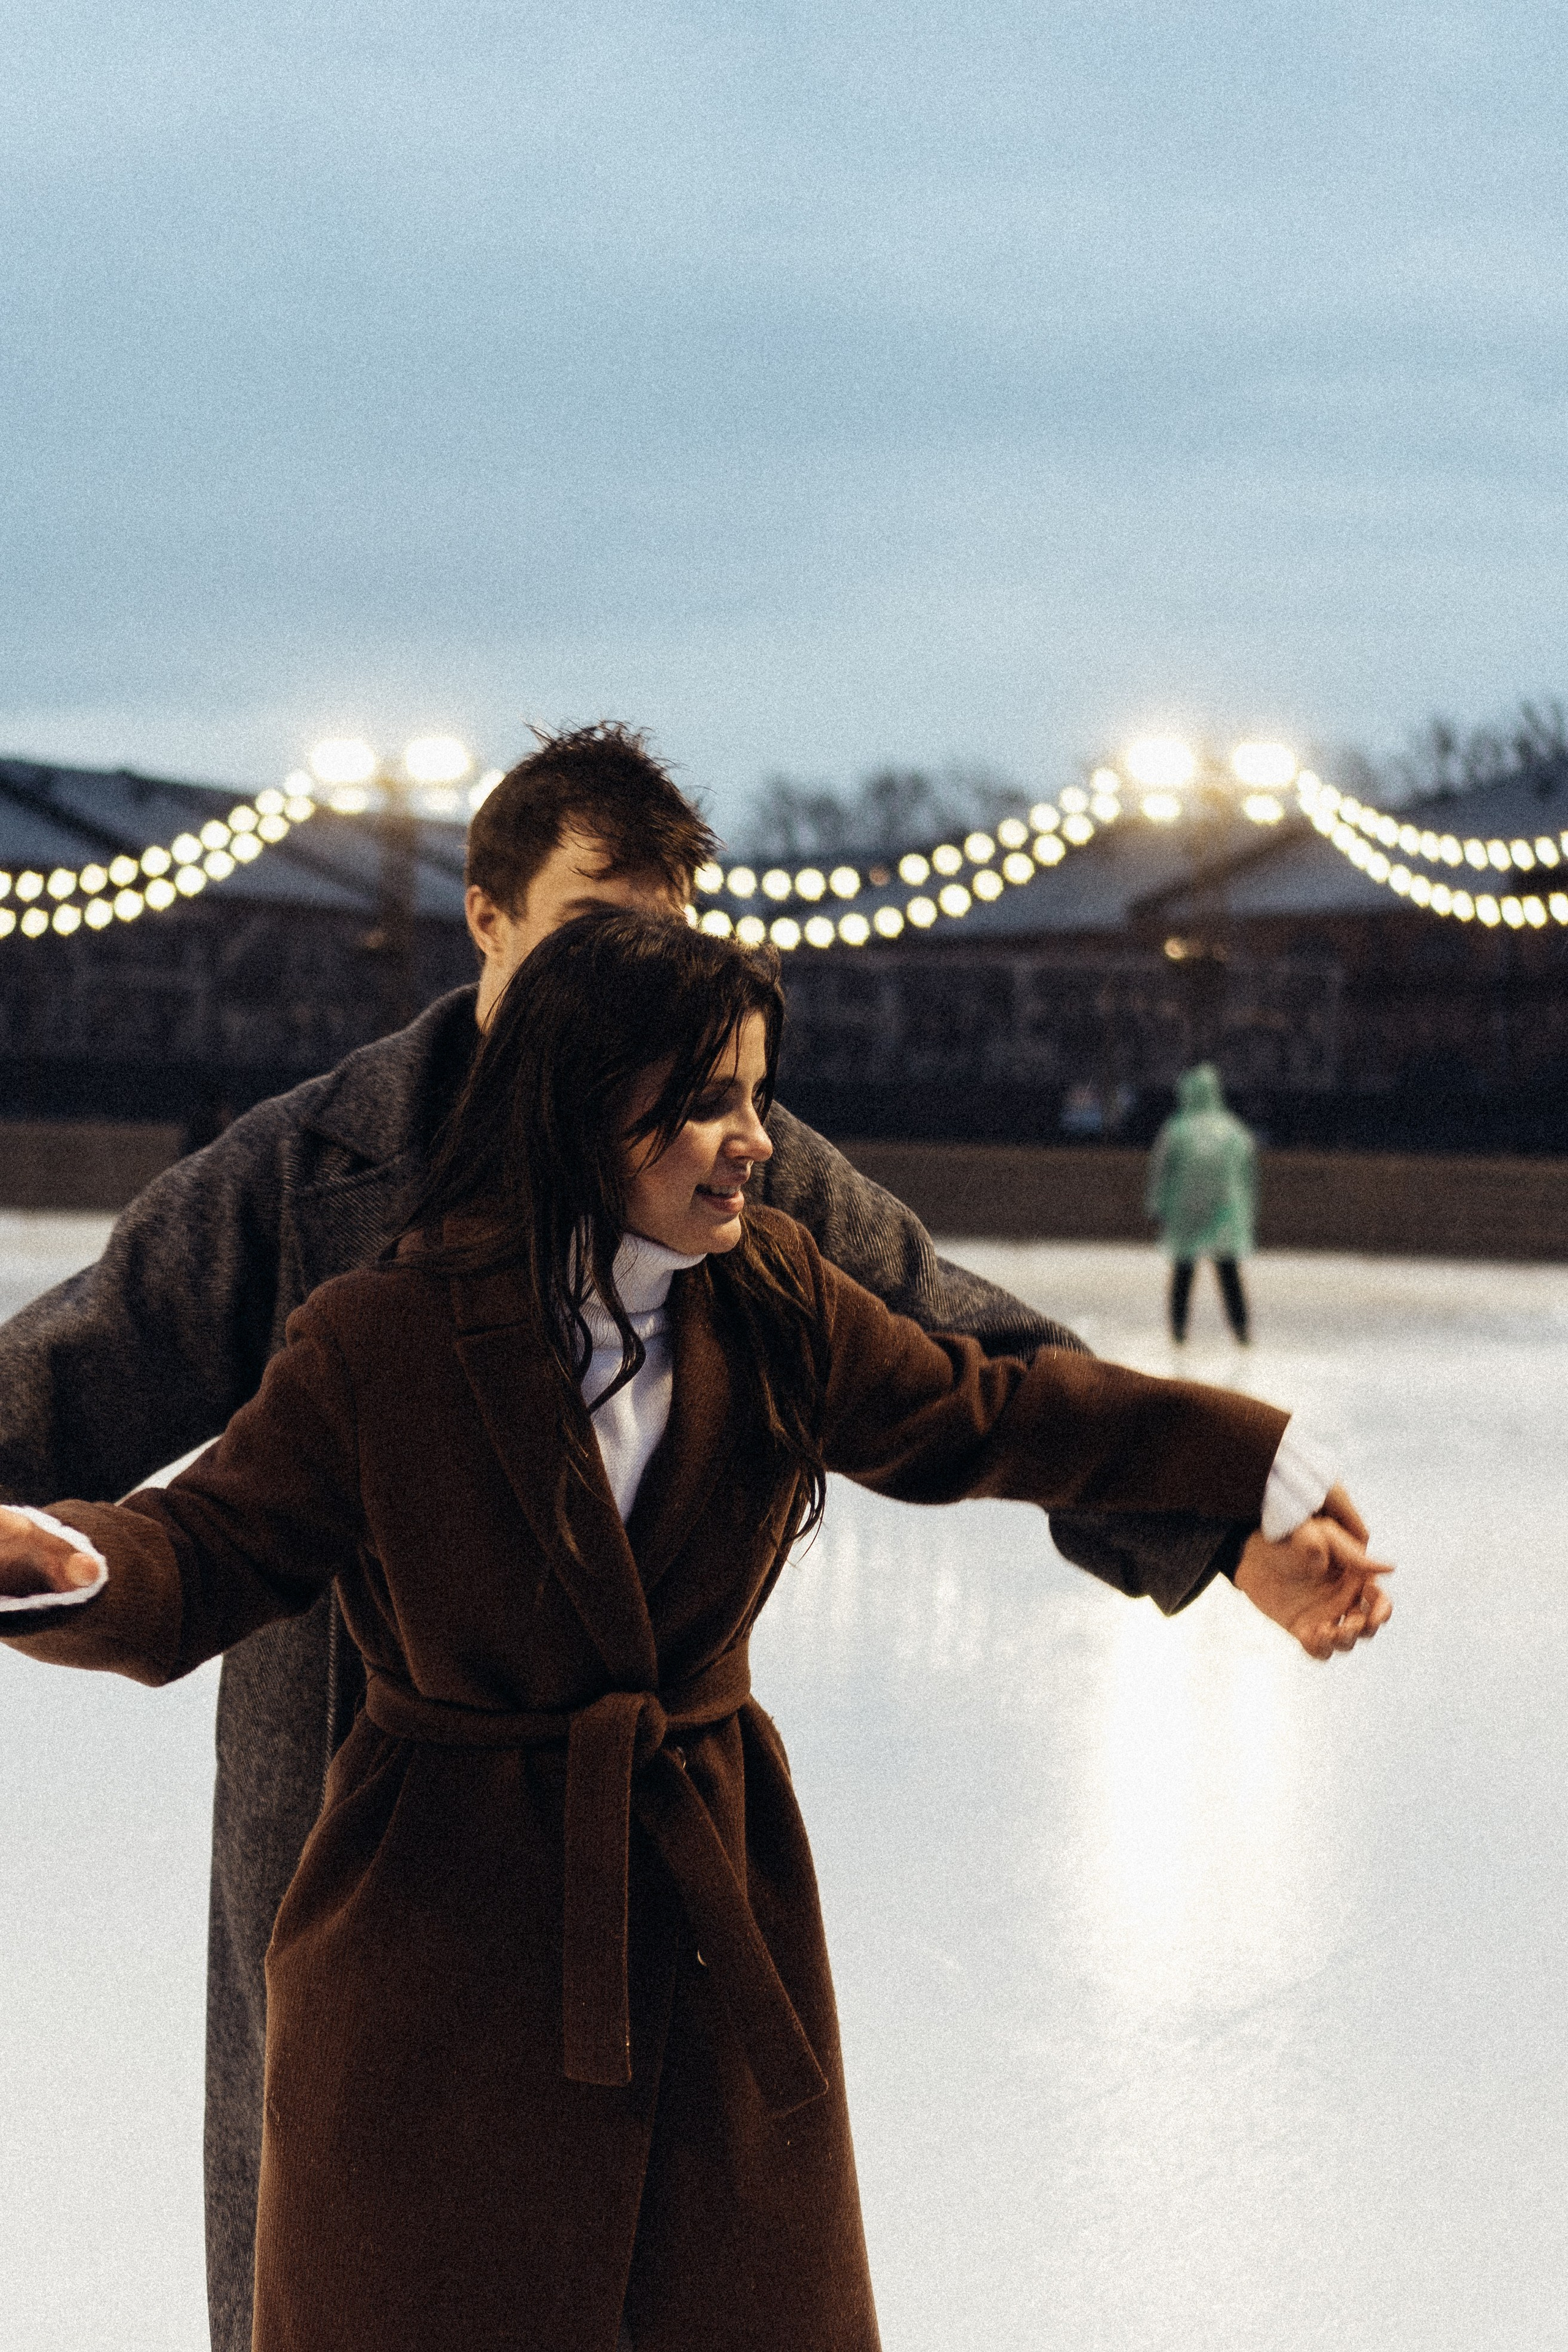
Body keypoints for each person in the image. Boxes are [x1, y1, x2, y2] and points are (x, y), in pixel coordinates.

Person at [0, 726, 1266, 2352]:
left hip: (641, 1824)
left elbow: (972, 1370)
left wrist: (1222, 1517)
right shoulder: (322, 1169)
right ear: (487, 922)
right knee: (347, 2236)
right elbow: (99, 1364)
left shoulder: (751, 1181)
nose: (643, 975)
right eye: (602, 931)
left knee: (682, 2240)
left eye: (667, 937)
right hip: (360, 1782)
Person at [1146, 1061, 1258, 1343]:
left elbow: (1161, 1170)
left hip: (1186, 1213)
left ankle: (1179, 1331)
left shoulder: (1177, 1130)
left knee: (1184, 1273)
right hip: (1225, 1213)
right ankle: (1241, 1329)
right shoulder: (1233, 1130)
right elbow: (1247, 1173)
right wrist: (1246, 1212)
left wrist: (1156, 1205)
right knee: (1228, 1272)